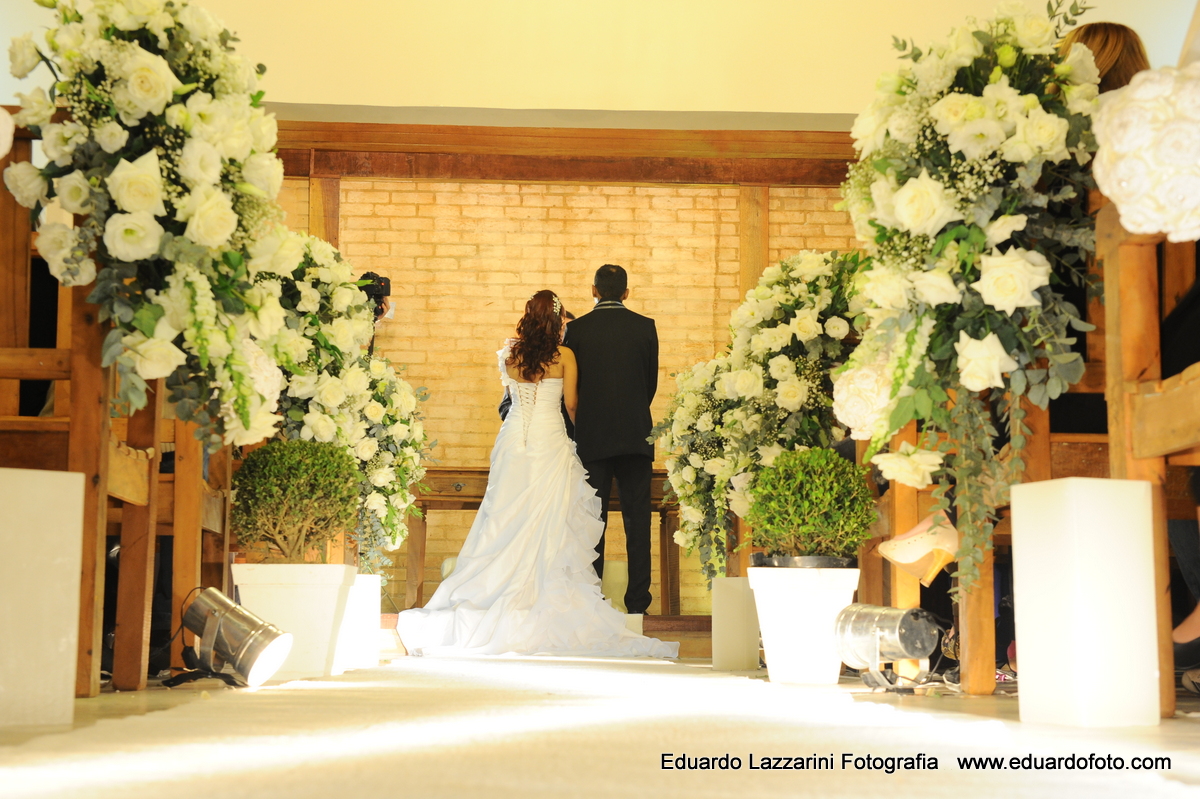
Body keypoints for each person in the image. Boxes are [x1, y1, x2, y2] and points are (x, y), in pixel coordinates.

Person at [395, 290, 677, 658]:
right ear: (559, 320)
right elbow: (572, 404)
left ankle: (492, 589)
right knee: (551, 517)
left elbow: (511, 398)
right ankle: (543, 592)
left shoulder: (510, 355)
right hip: (549, 440)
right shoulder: (566, 356)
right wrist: (578, 437)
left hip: (514, 441)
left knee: (505, 514)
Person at [563, 265, 658, 615]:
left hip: (592, 437)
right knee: (638, 522)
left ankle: (592, 602)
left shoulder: (576, 330)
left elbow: (572, 388)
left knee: (592, 522)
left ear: (594, 290)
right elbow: (650, 384)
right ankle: (638, 605)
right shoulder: (645, 327)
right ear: (627, 293)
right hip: (636, 435)